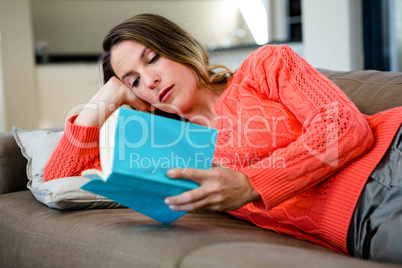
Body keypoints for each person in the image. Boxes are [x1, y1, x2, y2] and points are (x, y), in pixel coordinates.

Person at [44, 13, 402, 264]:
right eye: (133, 80)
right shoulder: (168, 149)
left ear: (180, 46)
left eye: (152, 59)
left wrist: (252, 183)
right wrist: (106, 97)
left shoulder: (264, 66)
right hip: (360, 224)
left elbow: (343, 125)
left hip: (391, 154)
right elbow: (58, 180)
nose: (149, 81)